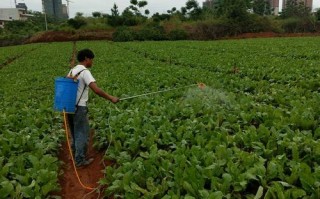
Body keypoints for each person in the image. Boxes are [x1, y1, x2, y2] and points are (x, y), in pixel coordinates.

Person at [67, 48, 119, 167]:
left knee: (74, 133)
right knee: (82, 134)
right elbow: (96, 89)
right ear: (86, 59)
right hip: (79, 108)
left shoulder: (72, 70)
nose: (92, 62)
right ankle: (80, 161)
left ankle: (75, 155)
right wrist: (111, 98)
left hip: (69, 107)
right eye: (91, 60)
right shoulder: (85, 72)